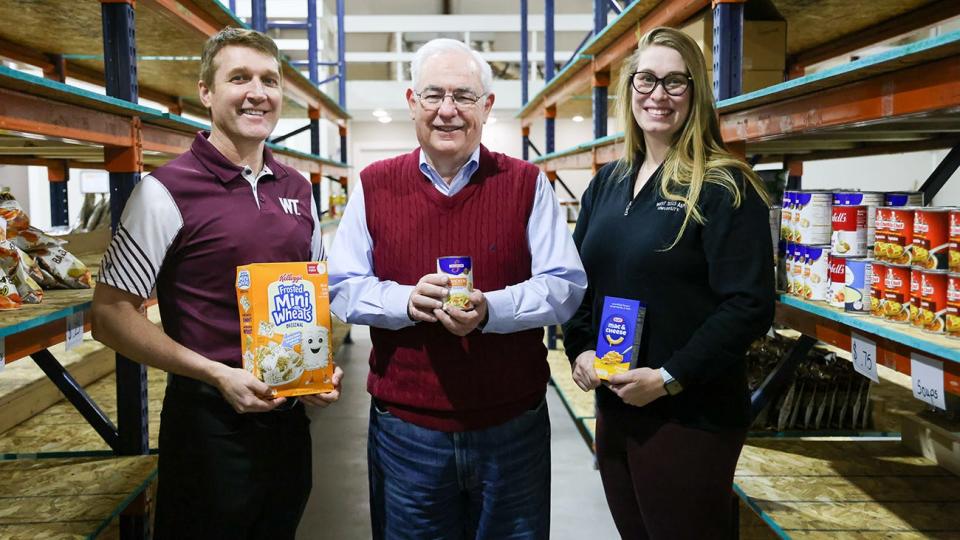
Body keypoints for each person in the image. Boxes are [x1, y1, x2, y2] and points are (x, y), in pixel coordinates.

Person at [328, 38, 586, 539]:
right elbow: (341, 286)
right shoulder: (374, 185)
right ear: (411, 103)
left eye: (464, 96)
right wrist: (404, 300)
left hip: (511, 427)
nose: (448, 110)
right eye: (433, 95)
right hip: (407, 432)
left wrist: (493, 309)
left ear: (486, 107)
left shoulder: (526, 183)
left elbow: (565, 285)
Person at [90, 27, 343, 538]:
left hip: (288, 420)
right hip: (210, 421)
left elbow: (316, 295)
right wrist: (216, 374)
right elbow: (109, 316)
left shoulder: (296, 188)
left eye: (269, 80)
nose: (258, 92)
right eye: (239, 78)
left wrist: (320, 369)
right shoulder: (165, 191)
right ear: (206, 91)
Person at [561, 27, 775, 538]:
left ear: (696, 94)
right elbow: (579, 283)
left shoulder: (725, 186)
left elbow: (749, 305)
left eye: (676, 82)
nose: (658, 95)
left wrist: (669, 376)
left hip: (689, 416)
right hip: (616, 405)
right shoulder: (608, 183)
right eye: (646, 80)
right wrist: (580, 349)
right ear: (629, 89)